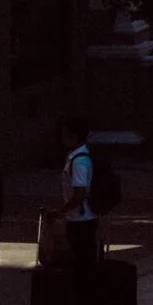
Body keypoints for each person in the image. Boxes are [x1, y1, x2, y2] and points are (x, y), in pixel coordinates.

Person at [59, 115, 101, 287]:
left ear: (74, 136)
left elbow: (80, 193)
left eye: (65, 136)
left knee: (83, 262)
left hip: (82, 219)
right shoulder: (76, 158)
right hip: (78, 218)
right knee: (81, 262)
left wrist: (62, 210)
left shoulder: (80, 161)